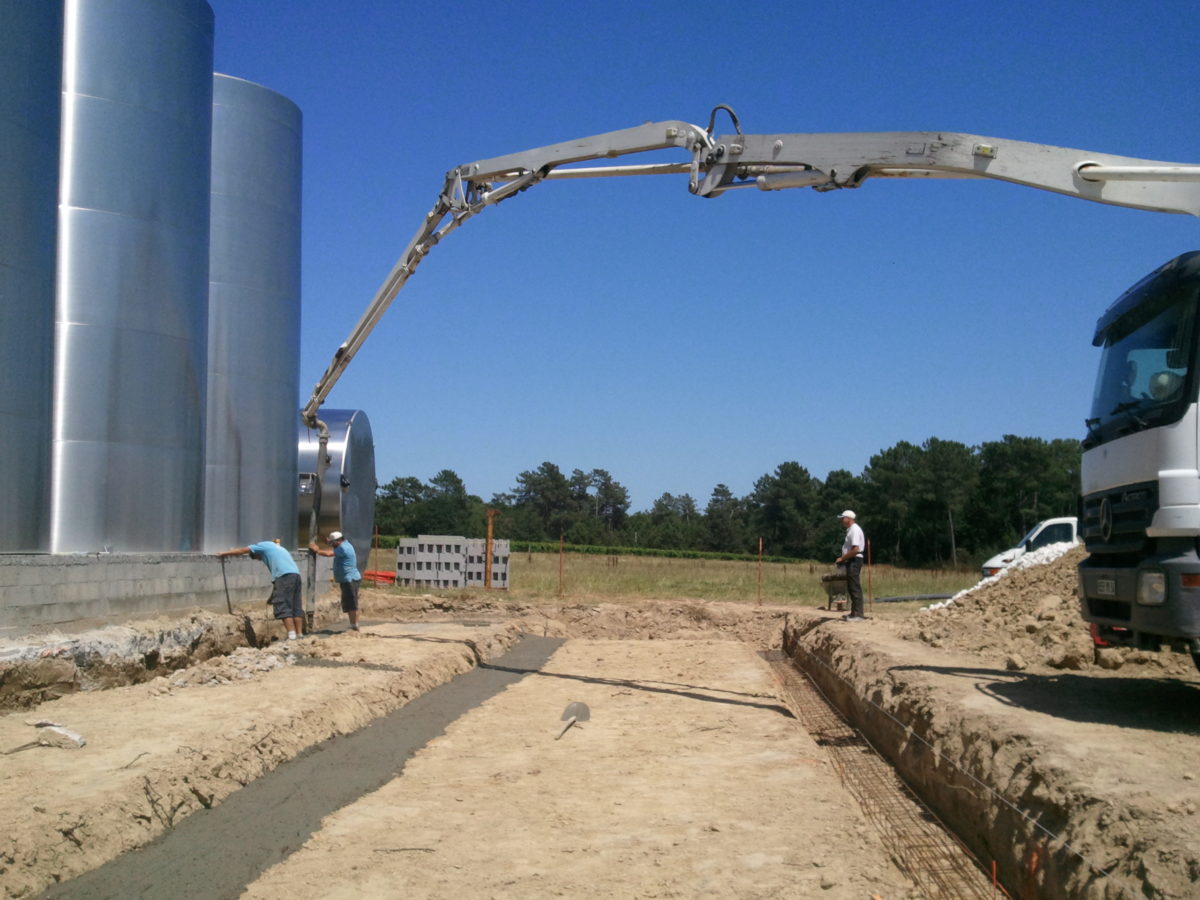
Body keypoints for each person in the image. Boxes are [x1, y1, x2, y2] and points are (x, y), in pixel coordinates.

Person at [217, 539, 304, 640]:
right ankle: (299, 635)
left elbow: (243, 550)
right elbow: (281, 587)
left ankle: (291, 636)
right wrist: (272, 597)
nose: (260, 560)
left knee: (283, 606)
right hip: (296, 575)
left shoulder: (262, 546)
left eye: (258, 558)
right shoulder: (277, 548)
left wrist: (224, 553)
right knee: (295, 606)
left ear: (257, 553)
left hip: (284, 576)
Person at [309, 531, 362, 631]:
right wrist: (320, 534)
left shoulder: (343, 548)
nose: (331, 544)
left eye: (333, 542)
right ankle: (353, 624)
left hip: (350, 579)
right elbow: (329, 543)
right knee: (349, 604)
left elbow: (329, 554)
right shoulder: (342, 543)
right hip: (347, 579)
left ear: (338, 541)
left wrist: (317, 551)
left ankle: (355, 626)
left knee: (352, 604)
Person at [835, 510, 866, 621]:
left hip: (854, 560)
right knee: (851, 586)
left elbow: (855, 549)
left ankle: (858, 614)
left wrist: (842, 558)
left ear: (849, 518)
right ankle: (854, 613)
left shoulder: (854, 530)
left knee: (854, 587)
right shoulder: (851, 530)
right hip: (851, 560)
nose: (841, 520)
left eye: (843, 518)